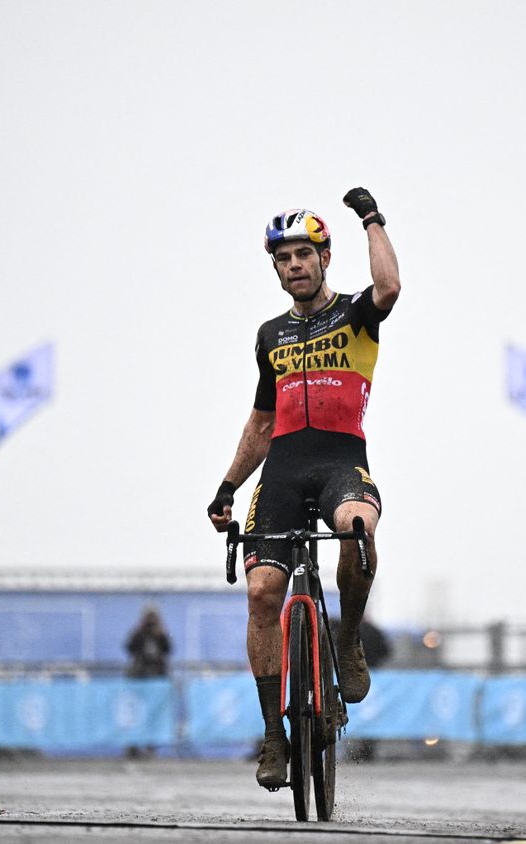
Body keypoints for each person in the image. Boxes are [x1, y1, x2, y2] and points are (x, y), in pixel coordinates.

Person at [207, 188, 400, 789]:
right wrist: (227, 487)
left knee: (357, 526)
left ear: (323, 258)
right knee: (263, 592)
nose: (293, 265)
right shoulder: (269, 336)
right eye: (283, 258)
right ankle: (273, 734)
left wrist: (372, 219)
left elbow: (389, 288)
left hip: (343, 460)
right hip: (284, 471)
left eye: (303, 255)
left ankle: (346, 640)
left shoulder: (354, 313)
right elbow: (262, 423)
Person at [125, 605, 172, 678]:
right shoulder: (138, 634)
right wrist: (140, 632)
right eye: (148, 617)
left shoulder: (161, 634)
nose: (151, 620)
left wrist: (159, 634)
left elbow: (168, 650)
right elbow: (130, 648)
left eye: (153, 617)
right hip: (140, 670)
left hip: (158, 670)